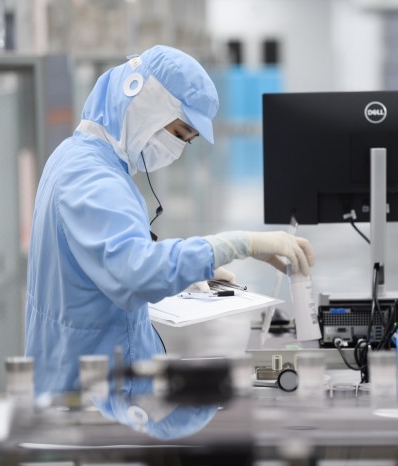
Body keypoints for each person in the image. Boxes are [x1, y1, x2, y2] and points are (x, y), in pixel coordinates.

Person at [24, 44, 315, 399]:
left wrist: (189, 270)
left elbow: (104, 258)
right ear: (146, 105)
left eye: (187, 141)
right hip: (101, 394)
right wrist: (238, 244)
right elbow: (135, 273)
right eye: (178, 133)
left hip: (85, 377)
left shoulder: (75, 157)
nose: (176, 149)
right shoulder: (92, 179)